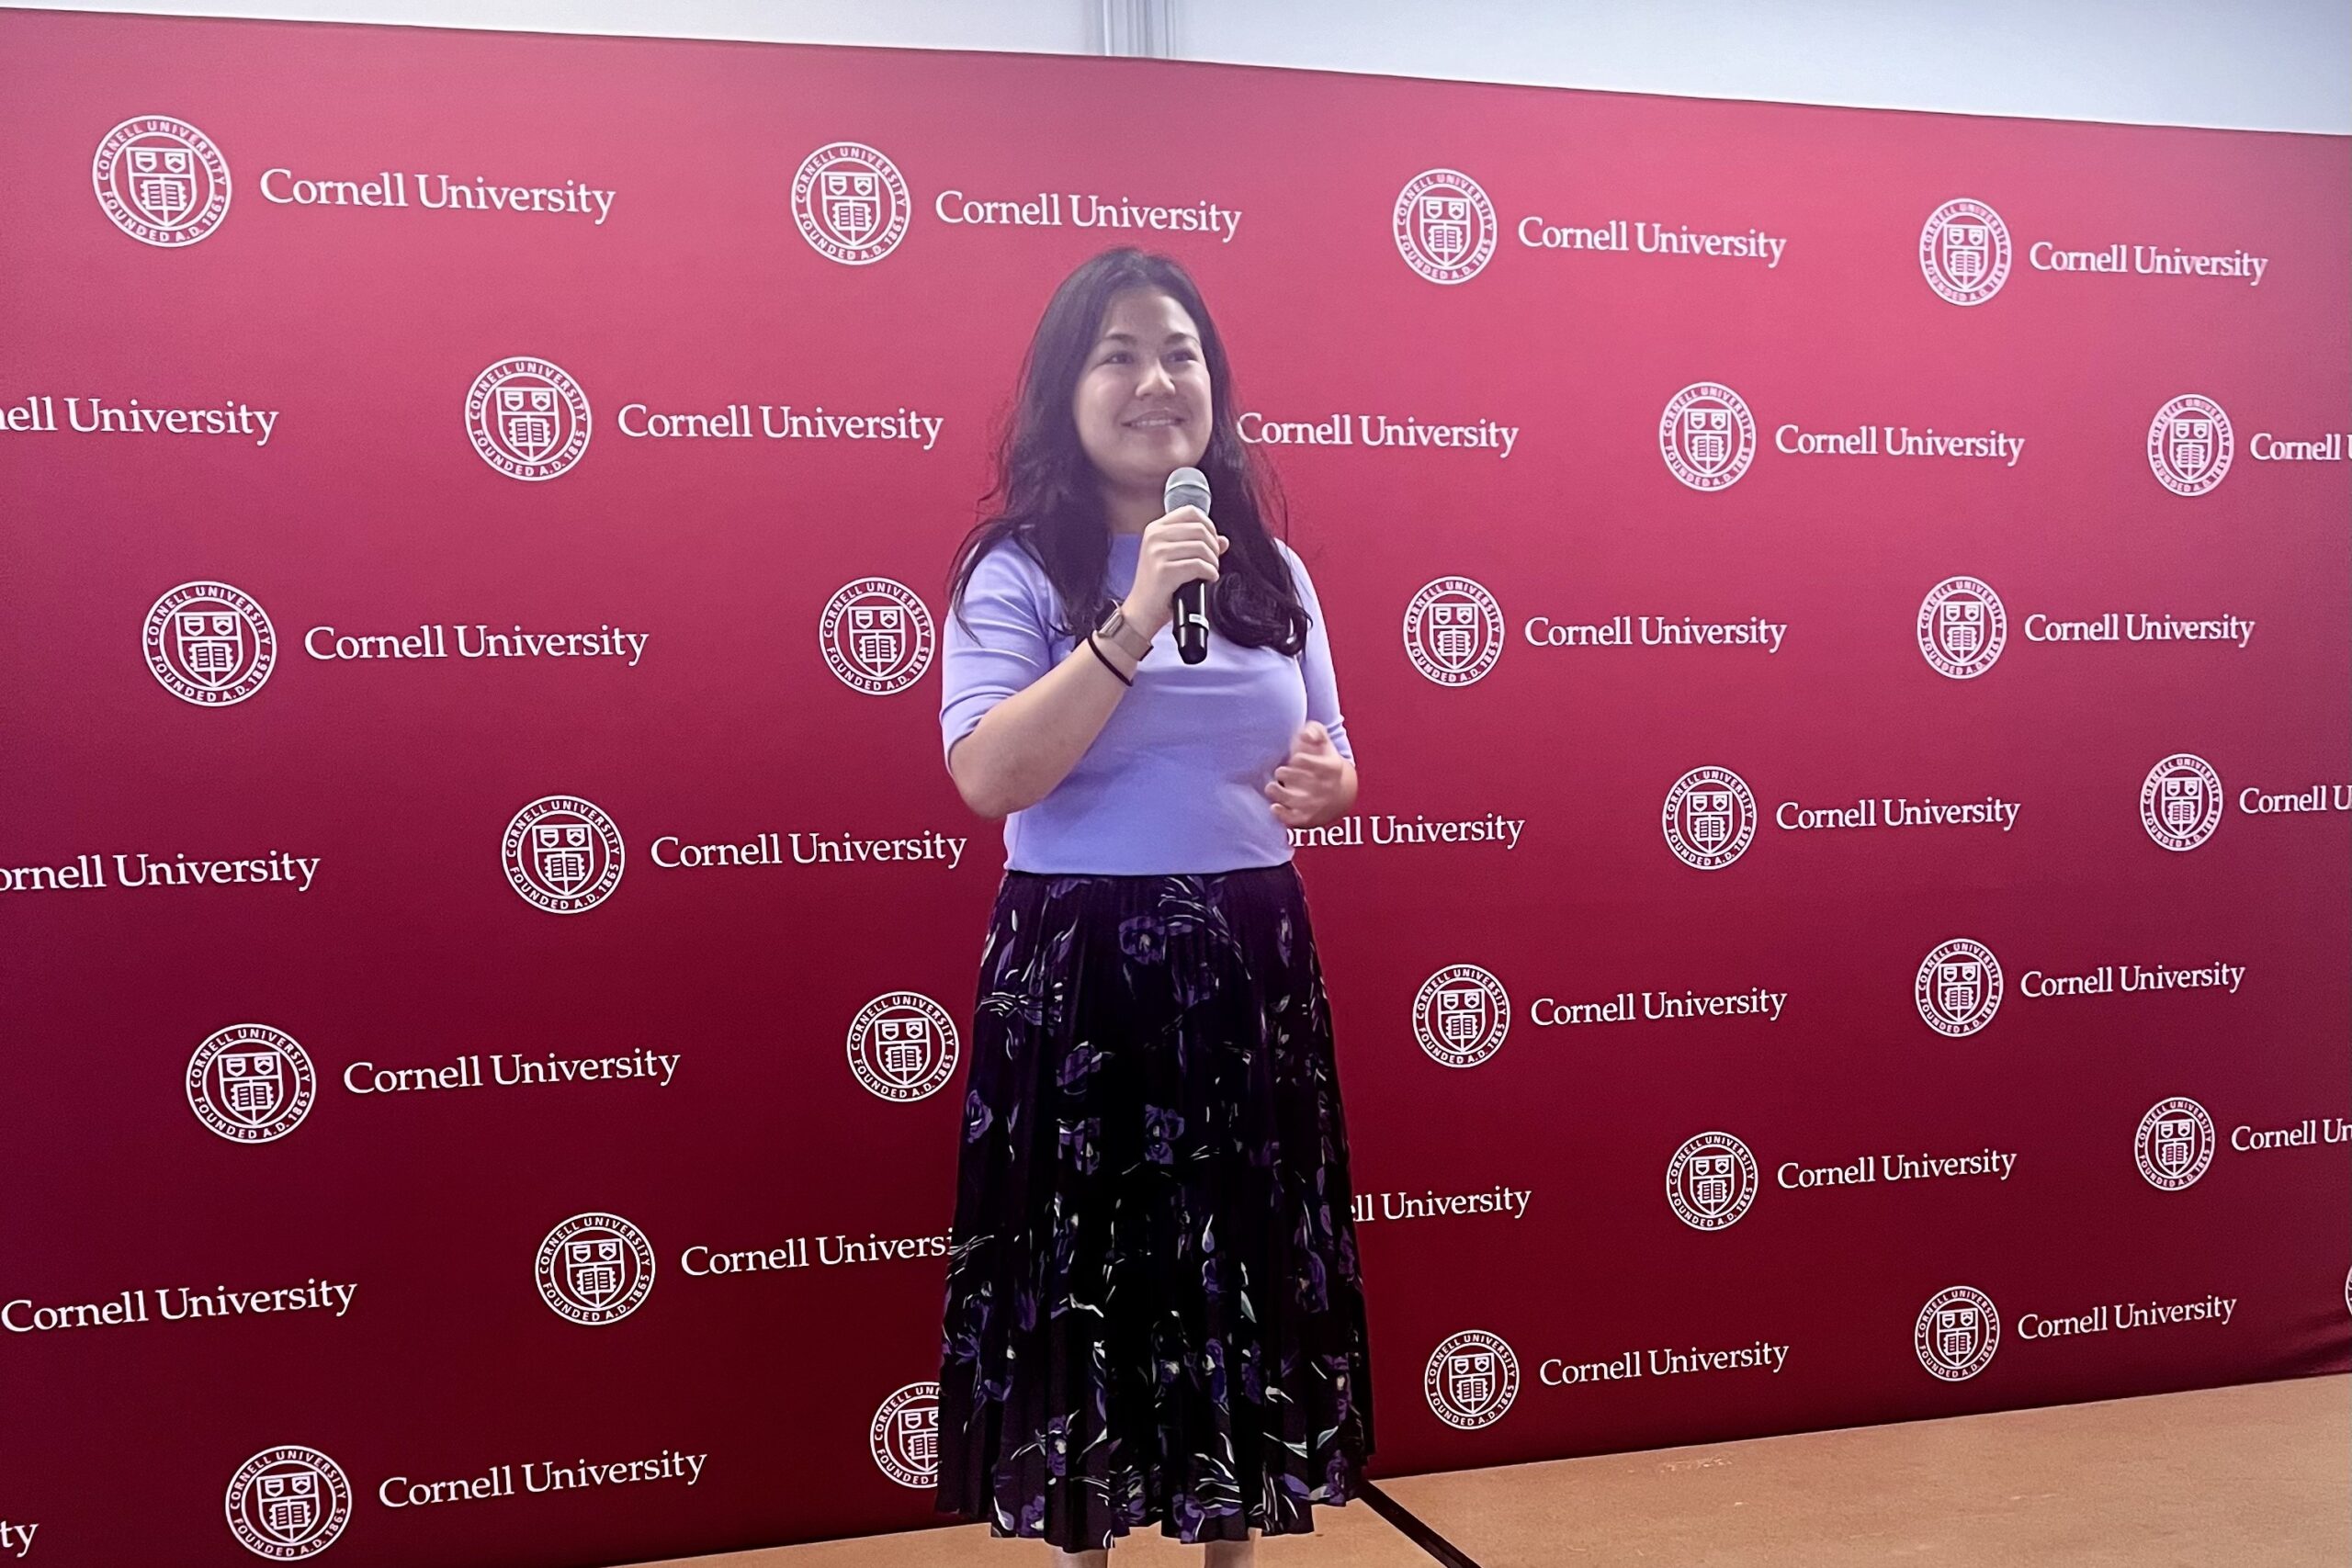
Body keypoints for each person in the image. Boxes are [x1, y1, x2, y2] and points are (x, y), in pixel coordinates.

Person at [933, 246, 1374, 1564]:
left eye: (1179, 353)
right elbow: (991, 773)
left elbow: (1329, 752)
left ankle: (1231, 1542)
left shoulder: (1270, 575)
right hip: (1082, 967)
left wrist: (1328, 787)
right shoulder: (1016, 571)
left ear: (1214, 388)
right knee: (1093, 1273)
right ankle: (1088, 1546)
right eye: (1118, 355)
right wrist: (1132, 616)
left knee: (1230, 1259)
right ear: (1067, 391)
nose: (1153, 380)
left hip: (1245, 961)